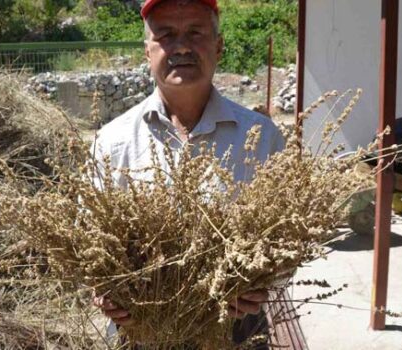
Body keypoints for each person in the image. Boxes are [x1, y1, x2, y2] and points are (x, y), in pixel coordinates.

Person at [91, 0, 286, 347]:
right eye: (166, 35)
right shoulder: (111, 142)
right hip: (139, 332)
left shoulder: (262, 137)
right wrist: (101, 287)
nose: (181, 46)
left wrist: (266, 283)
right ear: (147, 50)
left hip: (236, 330)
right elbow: (88, 242)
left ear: (218, 45)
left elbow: (287, 239)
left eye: (195, 33)